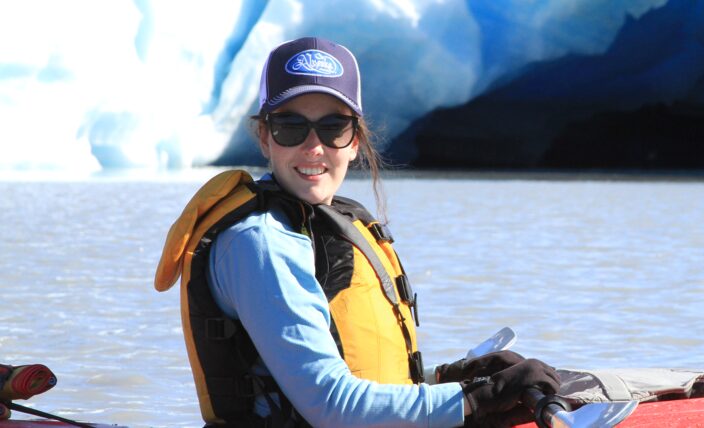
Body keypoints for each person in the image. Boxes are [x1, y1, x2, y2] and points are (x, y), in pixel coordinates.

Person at [155, 37, 559, 427]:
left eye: (333, 127)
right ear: (264, 137)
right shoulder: (260, 243)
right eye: (290, 127)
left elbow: (357, 380)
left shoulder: (310, 226)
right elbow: (333, 406)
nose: (314, 146)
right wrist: (476, 399)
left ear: (354, 140)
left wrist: (454, 378)